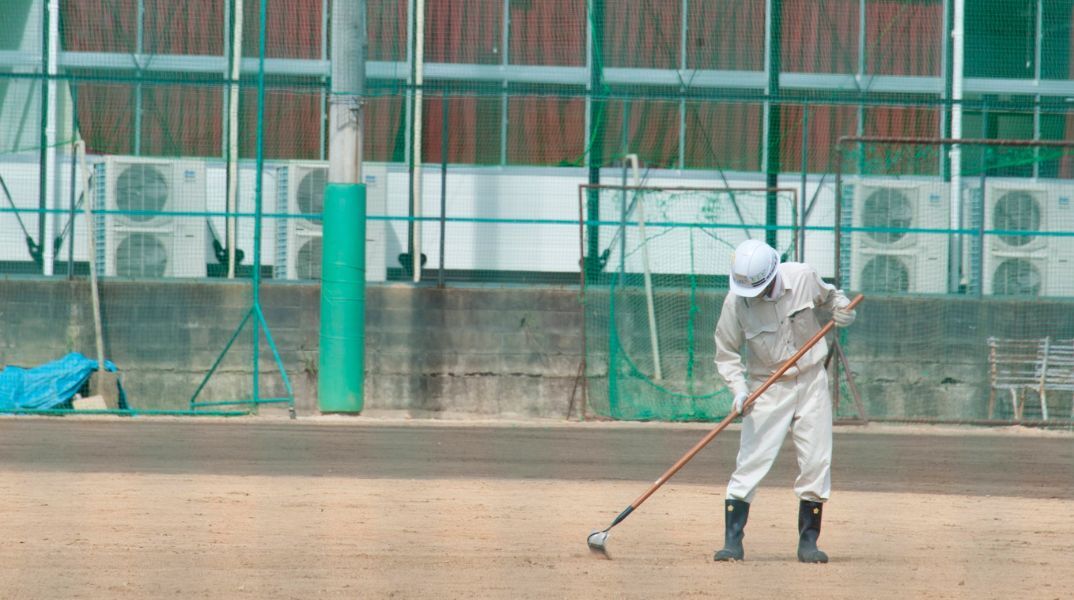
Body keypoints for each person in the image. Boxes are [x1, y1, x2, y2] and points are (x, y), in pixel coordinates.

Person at [712, 239, 856, 564]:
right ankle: (732, 544)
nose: (754, 296)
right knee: (751, 460)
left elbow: (832, 297)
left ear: (773, 273)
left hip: (810, 379)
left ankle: (809, 543)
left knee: (816, 460)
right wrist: (738, 389)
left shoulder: (803, 276)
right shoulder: (736, 302)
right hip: (767, 385)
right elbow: (725, 352)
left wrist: (843, 310)